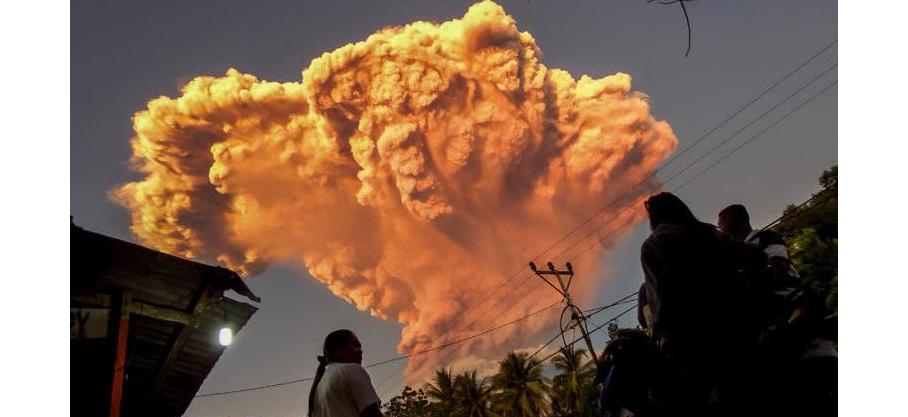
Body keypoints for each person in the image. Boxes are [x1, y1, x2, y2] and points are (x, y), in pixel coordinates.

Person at [640, 192, 762, 416]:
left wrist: (665, 339)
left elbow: (662, 301)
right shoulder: (707, 233)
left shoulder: (653, 245)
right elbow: (753, 256)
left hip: (694, 344)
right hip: (736, 330)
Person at [308, 329, 383, 417]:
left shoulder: (316, 394)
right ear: (338, 350)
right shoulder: (351, 369)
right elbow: (371, 413)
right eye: (355, 345)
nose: (360, 350)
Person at [718, 204, 799, 283]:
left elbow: (779, 267)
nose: (720, 228)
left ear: (736, 220)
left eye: (722, 222)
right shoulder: (732, 250)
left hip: (787, 290)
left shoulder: (766, 236)